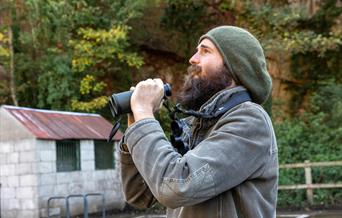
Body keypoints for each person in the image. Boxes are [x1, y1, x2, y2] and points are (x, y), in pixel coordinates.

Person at [119, 26, 278, 218]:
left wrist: (144, 113)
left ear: (234, 67)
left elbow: (176, 187)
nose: (193, 59)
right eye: (196, 51)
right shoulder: (197, 123)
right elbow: (139, 195)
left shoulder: (250, 121)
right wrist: (135, 124)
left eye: (205, 51)